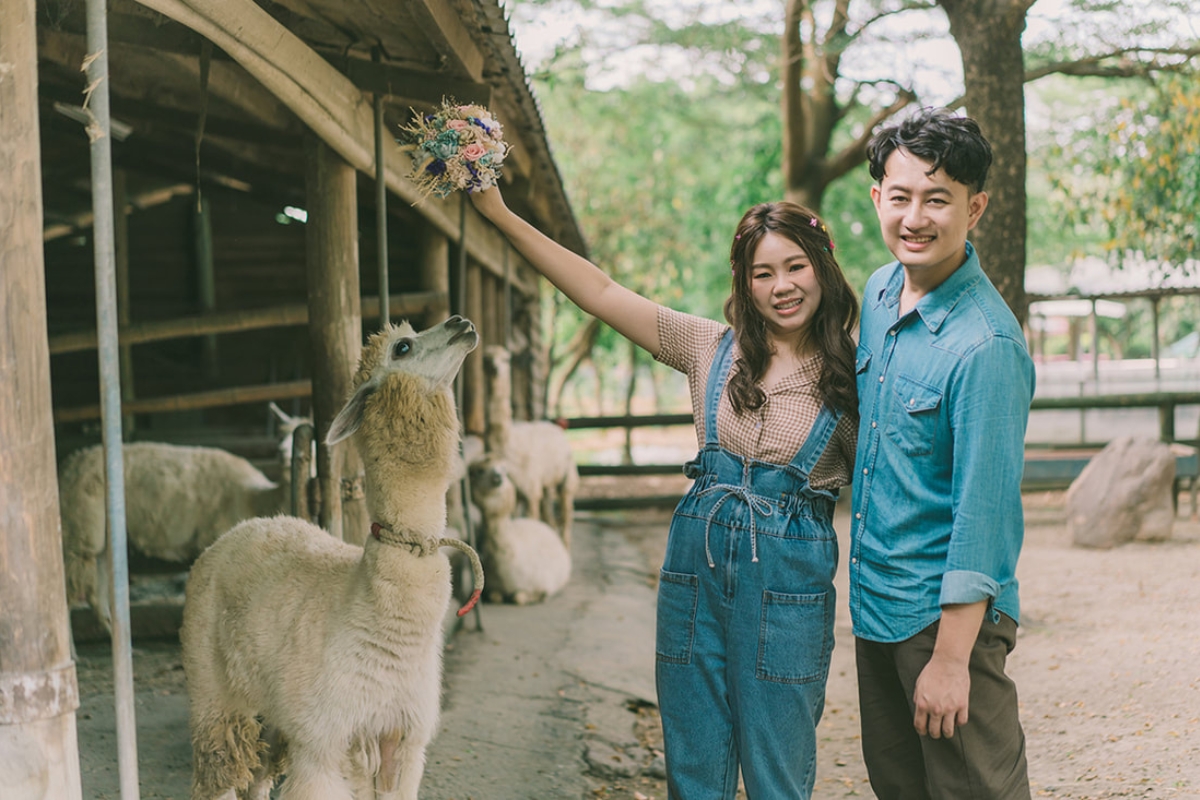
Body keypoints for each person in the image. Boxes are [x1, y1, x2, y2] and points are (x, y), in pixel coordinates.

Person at [470, 186, 859, 798]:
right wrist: (497, 212)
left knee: (776, 775)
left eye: (795, 266)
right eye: (763, 272)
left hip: (788, 583)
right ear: (745, 283)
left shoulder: (854, 378)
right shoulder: (709, 347)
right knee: (694, 769)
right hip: (694, 569)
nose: (781, 285)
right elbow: (598, 293)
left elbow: (896, 491)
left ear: (822, 267)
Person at [851, 106, 1036, 799]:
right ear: (878, 199)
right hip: (877, 608)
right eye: (901, 197)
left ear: (975, 207)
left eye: (939, 199)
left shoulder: (985, 346)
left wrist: (953, 660)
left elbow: (983, 514)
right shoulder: (877, 292)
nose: (916, 217)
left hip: (946, 622)